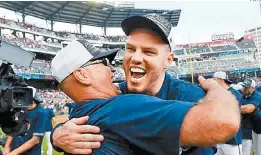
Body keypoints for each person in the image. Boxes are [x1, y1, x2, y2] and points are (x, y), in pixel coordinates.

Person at [50, 14, 239, 155]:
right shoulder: (116, 96)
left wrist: (217, 90)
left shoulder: (191, 95)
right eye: (130, 49)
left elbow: (223, 122)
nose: (136, 58)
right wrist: (57, 136)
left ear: (168, 60)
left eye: (149, 52)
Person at [3, 86, 47, 155]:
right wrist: (7, 146)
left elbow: (35, 140)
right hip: (15, 150)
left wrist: (14, 153)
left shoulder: (41, 113)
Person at [212, 71, 242, 155]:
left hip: (232, 139)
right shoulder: (216, 93)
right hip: (220, 139)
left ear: (221, 80)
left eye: (215, 79)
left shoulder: (234, 93)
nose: (213, 81)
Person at [240, 79, 261, 155]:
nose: (244, 88)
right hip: (252, 126)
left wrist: (233, 108)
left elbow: (248, 109)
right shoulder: (244, 95)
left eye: (246, 87)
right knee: (254, 151)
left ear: (252, 87)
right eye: (244, 86)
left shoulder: (256, 95)